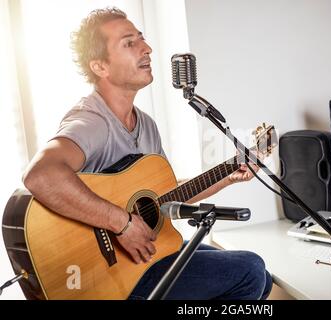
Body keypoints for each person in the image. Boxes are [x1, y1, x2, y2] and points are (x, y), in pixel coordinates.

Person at [22, 7, 272, 300]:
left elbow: (167, 197)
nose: (147, 48)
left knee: (263, 279)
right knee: (250, 271)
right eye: (129, 43)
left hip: (146, 256)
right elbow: (40, 175)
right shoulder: (92, 122)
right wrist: (123, 223)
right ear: (100, 67)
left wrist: (229, 175)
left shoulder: (146, 124)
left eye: (142, 39)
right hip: (114, 275)